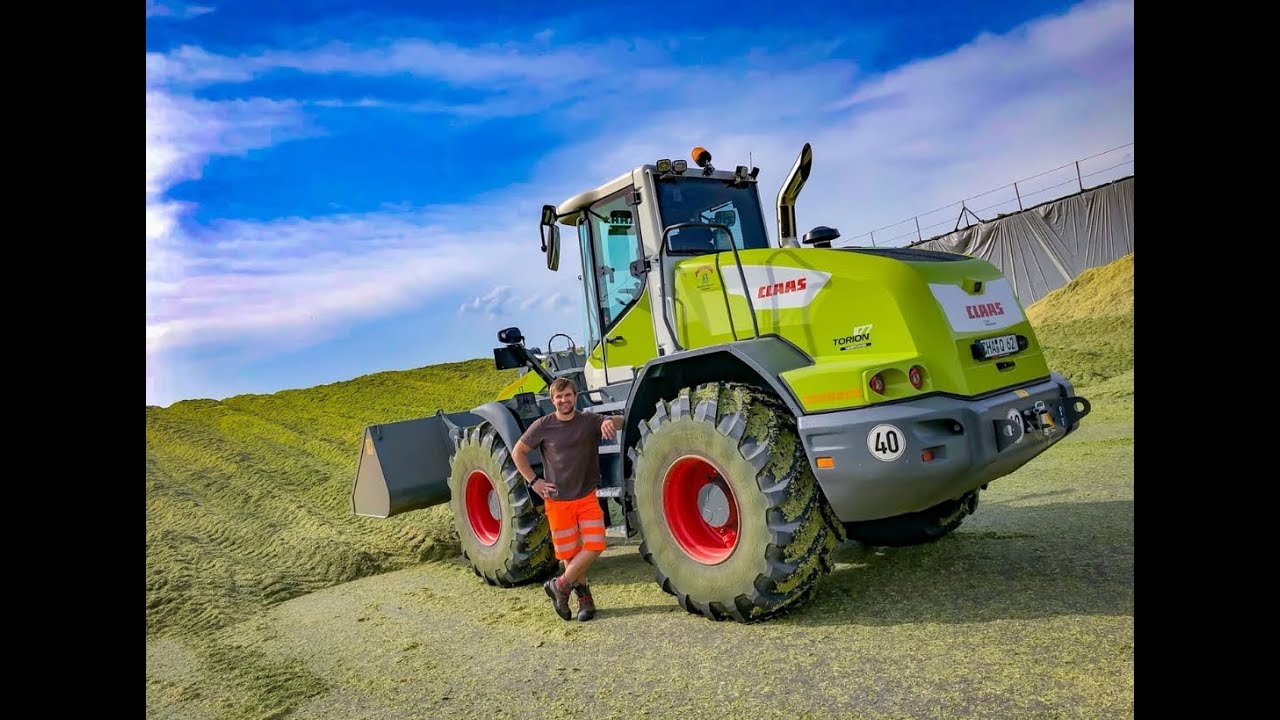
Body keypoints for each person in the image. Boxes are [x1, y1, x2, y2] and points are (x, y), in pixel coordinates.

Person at [513, 377, 623, 621]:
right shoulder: (543, 425)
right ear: (552, 400)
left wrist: (607, 420)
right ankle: (584, 599)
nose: (564, 400)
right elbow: (517, 452)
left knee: (595, 545)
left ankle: (560, 585)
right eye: (559, 397)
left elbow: (620, 421)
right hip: (557, 500)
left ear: (575, 396)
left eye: (568, 395)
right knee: (570, 554)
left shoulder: (588, 420)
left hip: (586, 496)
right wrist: (534, 482)